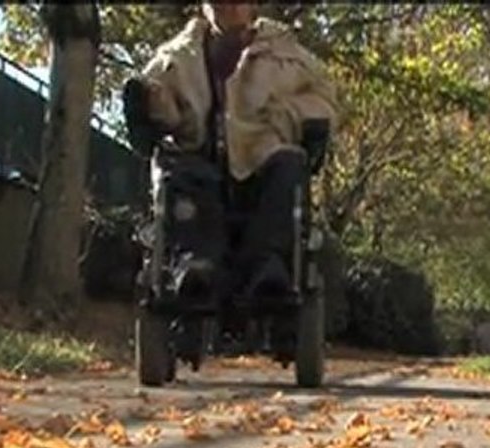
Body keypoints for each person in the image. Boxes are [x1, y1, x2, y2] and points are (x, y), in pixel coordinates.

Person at [122, 2, 337, 303]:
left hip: (260, 162)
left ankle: (269, 266)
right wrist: (154, 108)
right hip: (200, 163)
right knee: (178, 171)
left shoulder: (289, 55)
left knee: (289, 166)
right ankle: (195, 266)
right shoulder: (175, 57)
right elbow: (155, 100)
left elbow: (323, 102)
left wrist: (284, 117)